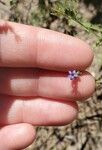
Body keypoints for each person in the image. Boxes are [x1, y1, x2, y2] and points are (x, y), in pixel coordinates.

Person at [0, 21, 95, 149]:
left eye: (73, 75)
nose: (72, 76)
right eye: (73, 75)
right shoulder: (72, 75)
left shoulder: (73, 74)